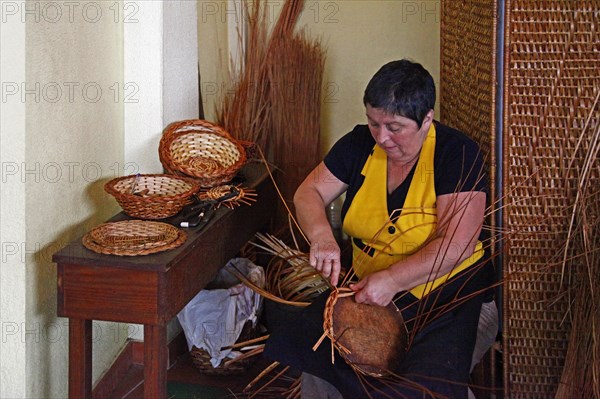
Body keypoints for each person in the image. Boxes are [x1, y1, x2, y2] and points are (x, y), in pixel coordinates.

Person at [264, 59, 496, 398]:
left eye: (395, 127)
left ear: (426, 119)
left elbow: (457, 244)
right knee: (319, 356)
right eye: (374, 123)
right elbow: (308, 193)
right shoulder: (359, 144)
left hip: (449, 299)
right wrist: (322, 238)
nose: (382, 137)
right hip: (368, 295)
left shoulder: (455, 153)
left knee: (417, 386)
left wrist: (392, 280)